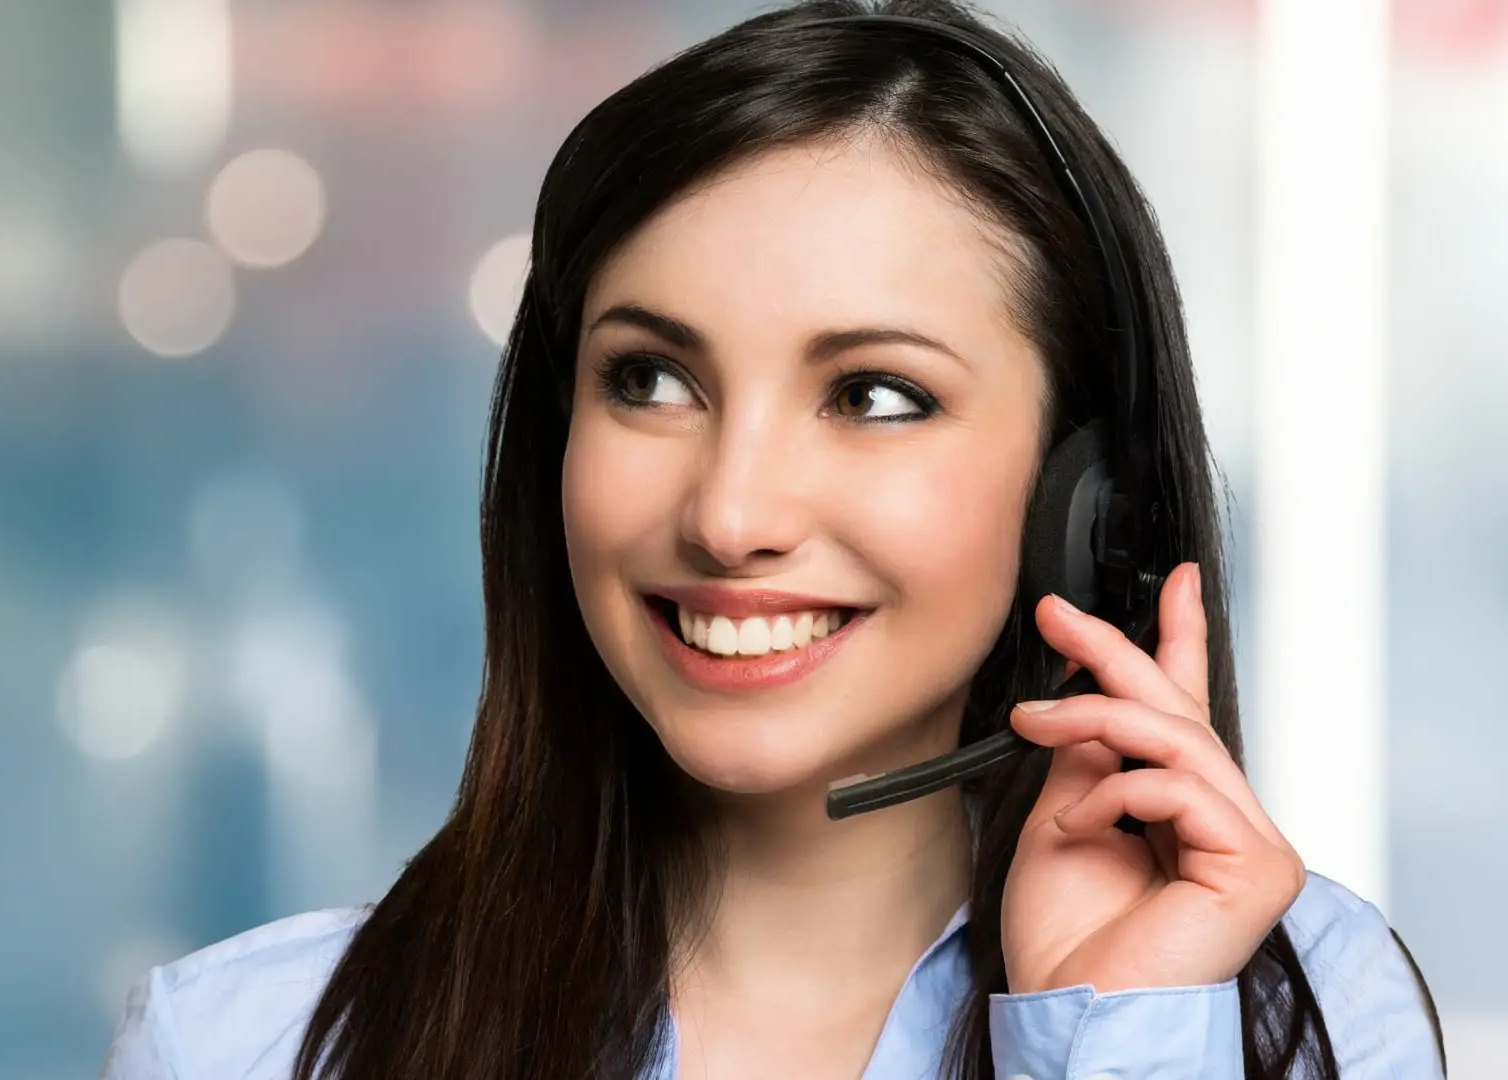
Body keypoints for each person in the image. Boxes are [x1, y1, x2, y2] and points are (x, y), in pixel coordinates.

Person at [102, 1, 1446, 1077]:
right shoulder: (243, 1046)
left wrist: (1118, 1033)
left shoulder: (1300, 1022)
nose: (731, 515)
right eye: (651, 380)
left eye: (873, 397)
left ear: (1083, 502)